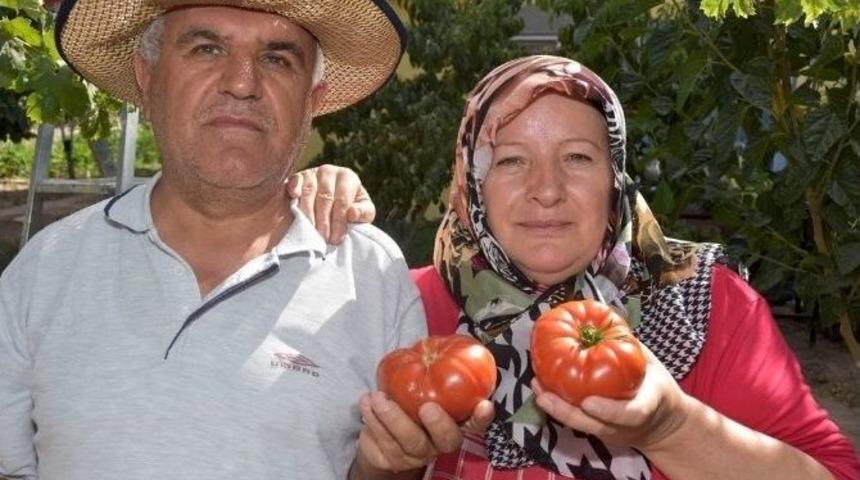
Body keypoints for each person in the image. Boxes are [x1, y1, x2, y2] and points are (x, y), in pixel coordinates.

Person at [0, 2, 490, 479]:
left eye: (277, 59)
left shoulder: (370, 276)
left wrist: (389, 469)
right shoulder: (47, 268)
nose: (241, 83)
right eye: (207, 49)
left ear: (312, 99)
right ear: (147, 76)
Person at [404, 54, 860, 479]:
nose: (546, 189)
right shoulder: (405, 306)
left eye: (577, 157)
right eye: (511, 160)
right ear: (472, 186)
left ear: (614, 178)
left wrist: (671, 428)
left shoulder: (707, 302)